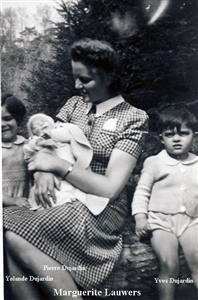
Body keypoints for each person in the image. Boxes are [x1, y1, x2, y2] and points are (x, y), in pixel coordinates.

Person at [4, 38, 148, 300]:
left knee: (12, 232)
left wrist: (58, 166)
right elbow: (45, 143)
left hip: (100, 209)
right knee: (8, 232)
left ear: (109, 76)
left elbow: (110, 188)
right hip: (61, 195)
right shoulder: (73, 106)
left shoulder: (133, 118)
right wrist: (42, 171)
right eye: (75, 78)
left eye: (85, 80)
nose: (76, 86)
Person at [132, 105, 198, 300]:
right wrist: (140, 217)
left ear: (194, 135)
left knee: (197, 259)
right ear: (162, 138)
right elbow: (142, 192)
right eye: (170, 135)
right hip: (161, 222)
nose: (176, 139)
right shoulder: (154, 162)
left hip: (191, 221)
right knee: (169, 264)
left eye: (183, 134)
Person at [25, 113, 109, 215]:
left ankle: (64, 206)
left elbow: (69, 134)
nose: (41, 123)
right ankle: (50, 209)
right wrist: (42, 142)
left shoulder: (61, 132)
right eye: (36, 125)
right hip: (51, 173)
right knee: (53, 191)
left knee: (69, 191)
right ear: (33, 132)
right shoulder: (36, 141)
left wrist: (51, 134)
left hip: (69, 171)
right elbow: (29, 146)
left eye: (43, 121)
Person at [2, 93, 30, 208]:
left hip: (25, 203)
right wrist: (9, 200)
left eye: (7, 119)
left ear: (17, 119)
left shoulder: (27, 145)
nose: (2, 124)